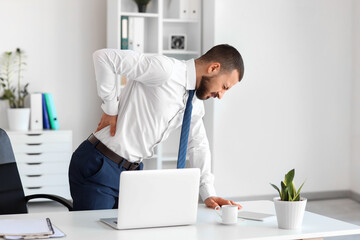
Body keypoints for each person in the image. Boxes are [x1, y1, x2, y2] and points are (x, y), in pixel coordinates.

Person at [68, 44, 245, 211]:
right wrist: (110, 108)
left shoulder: (195, 103)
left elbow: (198, 144)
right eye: (224, 87)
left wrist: (208, 193)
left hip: (130, 174)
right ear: (213, 68)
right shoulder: (166, 70)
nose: (221, 95)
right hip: (100, 163)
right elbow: (104, 57)